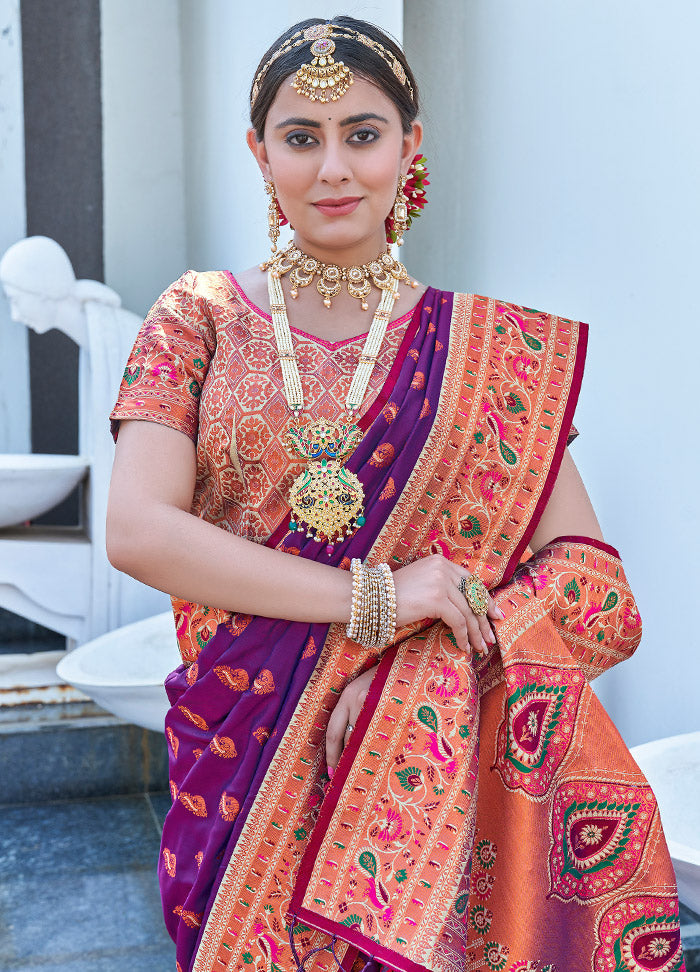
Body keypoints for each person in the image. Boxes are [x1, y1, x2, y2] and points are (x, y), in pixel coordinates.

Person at [107, 16, 685, 972]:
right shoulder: (196, 317)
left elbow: (599, 602)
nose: (334, 168)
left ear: (409, 145)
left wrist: (415, 676)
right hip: (237, 763)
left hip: (416, 788)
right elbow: (137, 530)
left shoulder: (490, 361)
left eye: (363, 134)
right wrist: (378, 597)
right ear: (259, 152)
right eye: (302, 138)